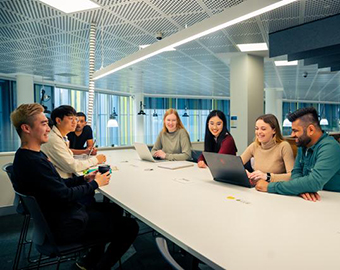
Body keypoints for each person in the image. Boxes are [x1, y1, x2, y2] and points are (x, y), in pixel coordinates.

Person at [10, 103, 139, 270]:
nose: (49, 128)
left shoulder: (27, 156)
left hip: (56, 217)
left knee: (114, 210)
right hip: (65, 225)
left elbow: (57, 184)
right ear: (26, 128)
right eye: (43, 124)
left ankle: (89, 261)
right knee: (130, 226)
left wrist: (84, 179)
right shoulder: (35, 162)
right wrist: (95, 184)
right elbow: (64, 195)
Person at [256, 107, 340, 201]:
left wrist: (269, 187)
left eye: (295, 130)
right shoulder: (303, 145)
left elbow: (314, 182)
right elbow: (296, 172)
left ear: (311, 130)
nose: (292, 135)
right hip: (314, 199)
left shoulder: (330, 147)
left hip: (333, 201)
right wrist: (301, 188)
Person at [41, 105, 106, 178]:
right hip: (60, 183)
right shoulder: (54, 139)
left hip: (65, 179)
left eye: (76, 119)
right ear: (58, 120)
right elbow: (72, 166)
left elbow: (68, 156)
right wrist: (96, 160)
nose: (75, 122)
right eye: (71, 119)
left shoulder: (62, 137)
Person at [241, 114, 295, 183]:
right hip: (257, 188)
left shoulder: (284, 146)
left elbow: (292, 176)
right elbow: (236, 164)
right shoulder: (254, 145)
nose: (259, 132)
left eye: (263, 129)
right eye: (257, 128)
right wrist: (243, 172)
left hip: (274, 189)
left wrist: (267, 176)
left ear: (274, 130)